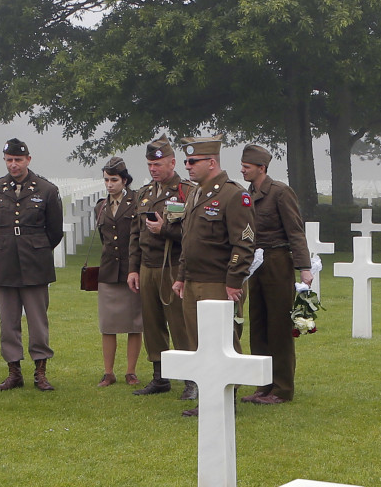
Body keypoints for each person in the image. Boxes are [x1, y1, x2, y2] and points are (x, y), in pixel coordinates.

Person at [167, 135, 255, 417]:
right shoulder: (196, 193)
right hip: (194, 281)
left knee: (223, 342)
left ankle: (227, 398)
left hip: (218, 283)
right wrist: (181, 276)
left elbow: (244, 242)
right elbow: (189, 239)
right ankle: (209, 397)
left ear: (212, 162)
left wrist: (233, 281)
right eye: (186, 161)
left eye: (193, 161)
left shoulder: (233, 195)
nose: (187, 166)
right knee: (199, 343)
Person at [0, 138, 64, 390]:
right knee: (8, 323)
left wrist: (36, 247)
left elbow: (54, 231)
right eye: (9, 160)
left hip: (35, 263)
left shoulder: (46, 190)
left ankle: (40, 371)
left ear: (28, 160)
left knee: (38, 322)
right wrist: (6, 245)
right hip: (4, 263)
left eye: (18, 160)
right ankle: (14, 371)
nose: (13, 164)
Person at [237, 143, 312, 405]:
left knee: (278, 327)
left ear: (262, 167)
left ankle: (282, 388)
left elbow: (295, 231)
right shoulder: (248, 194)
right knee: (258, 326)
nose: (242, 170)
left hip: (277, 261)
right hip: (255, 264)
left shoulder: (280, 192)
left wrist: (304, 268)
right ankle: (263, 385)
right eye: (242, 166)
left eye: (247, 166)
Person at [130, 138, 194, 397]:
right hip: (148, 266)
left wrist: (164, 229)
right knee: (152, 323)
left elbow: (192, 233)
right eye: (149, 164)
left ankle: (191, 379)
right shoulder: (144, 193)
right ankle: (160, 376)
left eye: (157, 164)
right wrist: (133, 269)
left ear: (172, 163)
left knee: (180, 324)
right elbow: (135, 234)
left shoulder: (186, 192)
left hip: (173, 266)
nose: (153, 169)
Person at [95, 158, 143, 386]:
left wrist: (136, 268)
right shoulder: (101, 206)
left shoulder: (137, 202)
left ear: (124, 180)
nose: (109, 184)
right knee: (108, 325)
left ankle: (130, 371)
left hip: (131, 270)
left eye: (114, 180)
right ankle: (108, 372)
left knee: (135, 324)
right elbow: (104, 238)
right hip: (108, 271)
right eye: (106, 180)